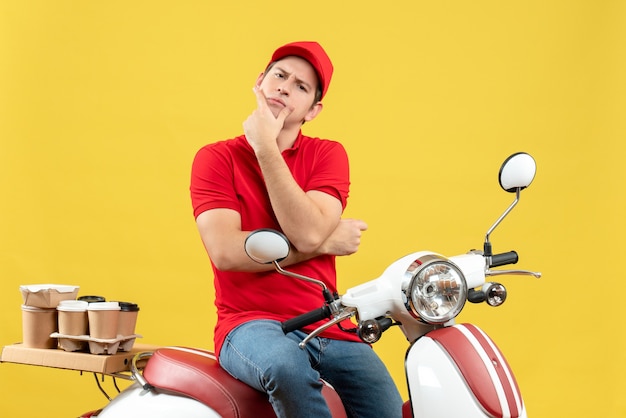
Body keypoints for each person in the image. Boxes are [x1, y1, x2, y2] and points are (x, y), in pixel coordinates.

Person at [190, 41, 403, 418]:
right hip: (248, 325)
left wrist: (266, 149)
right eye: (279, 75)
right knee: (285, 367)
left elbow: (304, 232)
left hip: (329, 325)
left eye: (301, 87)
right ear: (260, 82)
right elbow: (225, 252)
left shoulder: (327, 154)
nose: (285, 87)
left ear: (313, 110)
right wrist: (325, 243)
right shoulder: (216, 158)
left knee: (383, 401)